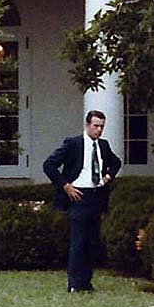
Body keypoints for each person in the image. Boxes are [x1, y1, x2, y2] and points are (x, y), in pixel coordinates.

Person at [43, 110, 122, 292]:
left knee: (91, 242)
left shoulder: (103, 145)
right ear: (87, 125)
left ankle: (86, 281)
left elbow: (116, 162)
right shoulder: (73, 144)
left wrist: (107, 177)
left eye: (102, 127)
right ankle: (74, 283)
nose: (99, 130)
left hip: (96, 196)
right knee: (78, 241)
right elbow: (49, 165)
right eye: (96, 126)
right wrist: (65, 186)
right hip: (78, 196)